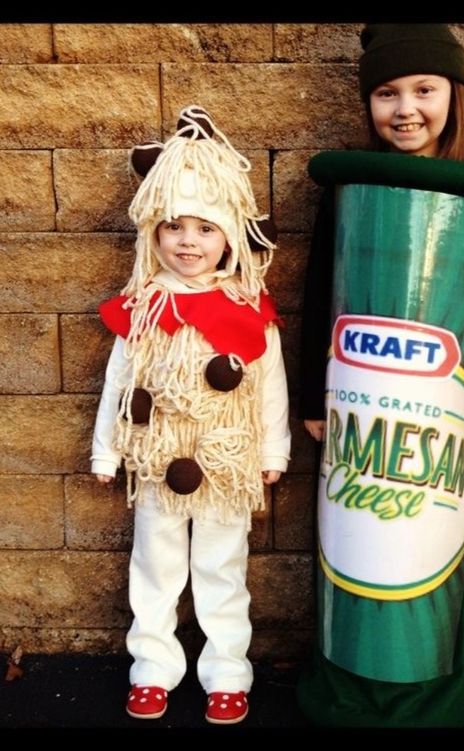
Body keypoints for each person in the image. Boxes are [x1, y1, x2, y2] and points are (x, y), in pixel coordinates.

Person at [298, 24, 464, 727]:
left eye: (423, 90)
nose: (405, 109)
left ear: (453, 96)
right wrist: (312, 397)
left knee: (424, 550)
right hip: (357, 412)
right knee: (356, 544)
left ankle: (425, 692)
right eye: (385, 93)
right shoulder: (346, 189)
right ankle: (345, 681)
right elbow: (314, 296)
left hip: (439, 426)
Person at [91, 105, 291, 724]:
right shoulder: (143, 308)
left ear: (229, 236)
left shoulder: (247, 308)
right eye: (173, 227)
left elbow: (269, 383)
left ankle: (228, 671)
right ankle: (152, 667)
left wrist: (271, 453)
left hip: (226, 463)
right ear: (153, 234)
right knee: (154, 566)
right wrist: (107, 451)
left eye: (205, 228)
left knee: (221, 568)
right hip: (155, 464)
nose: (187, 241)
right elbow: (119, 382)